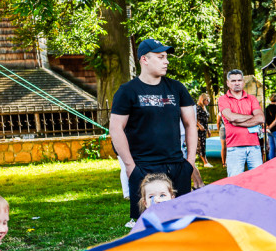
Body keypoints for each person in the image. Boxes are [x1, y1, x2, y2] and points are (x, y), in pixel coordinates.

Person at [110, 39, 203, 224]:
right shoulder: (127, 91)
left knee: (180, 222)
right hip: (144, 167)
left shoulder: (177, 88)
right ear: (144, 59)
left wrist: (190, 162)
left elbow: (191, 125)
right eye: (161, 57)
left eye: (166, 57)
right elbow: (115, 128)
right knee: (146, 225)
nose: (166, 61)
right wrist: (130, 166)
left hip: (177, 166)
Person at [217, 69, 265, 177]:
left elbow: (261, 118)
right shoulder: (223, 99)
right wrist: (253, 117)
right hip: (235, 147)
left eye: (239, 80)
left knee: (258, 180)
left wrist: (238, 121)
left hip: (254, 146)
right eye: (233, 81)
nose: (237, 83)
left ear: (243, 82)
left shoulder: (252, 98)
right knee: (234, 182)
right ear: (228, 83)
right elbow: (230, 117)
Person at [195, 93, 212, 168]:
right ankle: (205, 162)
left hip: (204, 129)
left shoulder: (204, 107)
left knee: (202, 145)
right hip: (198, 129)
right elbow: (192, 118)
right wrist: (199, 125)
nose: (208, 102)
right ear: (203, 100)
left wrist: (208, 129)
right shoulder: (196, 107)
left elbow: (206, 120)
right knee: (201, 145)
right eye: (207, 100)